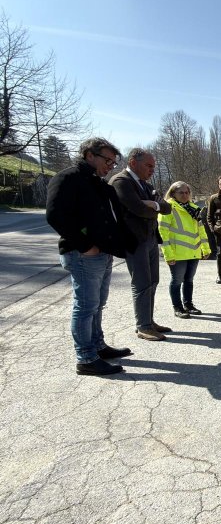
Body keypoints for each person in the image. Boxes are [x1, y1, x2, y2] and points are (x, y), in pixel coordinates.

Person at [46, 137, 137, 376]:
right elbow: (56, 216)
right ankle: (85, 358)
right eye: (107, 160)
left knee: (97, 304)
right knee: (85, 307)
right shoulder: (67, 178)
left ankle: (97, 346)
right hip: (82, 254)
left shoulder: (97, 182)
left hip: (101, 253)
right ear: (89, 155)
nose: (111, 166)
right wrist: (85, 245)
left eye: (114, 162)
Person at [108, 148, 172, 341]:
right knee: (142, 283)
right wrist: (151, 206)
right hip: (134, 241)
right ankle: (143, 326)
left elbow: (167, 207)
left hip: (150, 238)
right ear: (133, 162)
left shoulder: (145, 184)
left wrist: (154, 204)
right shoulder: (121, 182)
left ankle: (149, 321)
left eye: (153, 166)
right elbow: (138, 209)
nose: (152, 170)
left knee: (153, 281)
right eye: (149, 165)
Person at [159, 181, 211, 319]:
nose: (185, 195)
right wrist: (168, 254)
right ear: (173, 193)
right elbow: (162, 232)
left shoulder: (193, 208)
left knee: (189, 280)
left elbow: (201, 230)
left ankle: (188, 305)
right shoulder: (168, 207)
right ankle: (178, 308)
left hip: (193, 251)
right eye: (181, 192)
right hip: (177, 253)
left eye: (187, 192)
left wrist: (205, 248)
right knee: (177, 281)